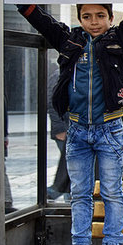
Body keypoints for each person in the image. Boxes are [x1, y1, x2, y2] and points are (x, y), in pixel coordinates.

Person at [0, 0, 123, 245]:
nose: (94, 21)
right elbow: (38, 18)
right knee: (79, 192)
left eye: (100, 15)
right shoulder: (68, 40)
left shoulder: (119, 38)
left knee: (111, 191)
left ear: (110, 16)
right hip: (78, 131)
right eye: (87, 16)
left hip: (110, 128)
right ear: (79, 18)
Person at [47, 67, 70, 200]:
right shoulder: (59, 74)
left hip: (71, 127)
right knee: (69, 166)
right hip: (64, 129)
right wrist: (60, 129)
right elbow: (52, 103)